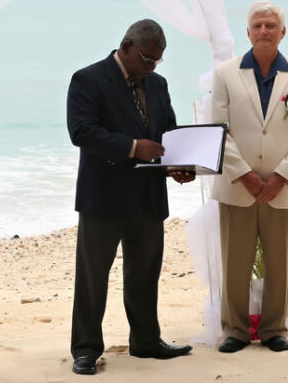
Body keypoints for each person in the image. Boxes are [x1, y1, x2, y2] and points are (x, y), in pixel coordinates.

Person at [66, 19, 195, 376]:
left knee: (145, 273)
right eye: (148, 58)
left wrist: (177, 166)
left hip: (148, 196)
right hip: (103, 196)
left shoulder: (158, 84)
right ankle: (86, 349)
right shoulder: (87, 79)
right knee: (93, 277)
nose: (152, 66)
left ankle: (146, 341)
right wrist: (133, 147)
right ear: (125, 47)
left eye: (157, 60)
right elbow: (82, 132)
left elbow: (166, 133)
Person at [210, 0, 288, 354]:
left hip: (282, 188)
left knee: (279, 261)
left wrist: (281, 177)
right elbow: (218, 130)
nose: (264, 31)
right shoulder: (225, 73)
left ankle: (273, 329)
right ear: (248, 33)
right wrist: (247, 177)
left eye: (271, 25)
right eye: (257, 25)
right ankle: (235, 330)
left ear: (283, 32)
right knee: (235, 262)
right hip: (238, 186)